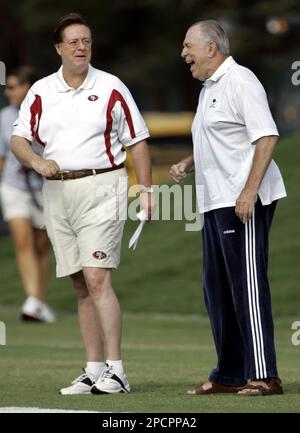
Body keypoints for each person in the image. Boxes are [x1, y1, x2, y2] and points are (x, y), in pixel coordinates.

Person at [11, 13, 154, 395]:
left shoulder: (111, 87)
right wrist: (38, 162)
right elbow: (18, 139)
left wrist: (147, 189)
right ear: (58, 48)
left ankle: (118, 370)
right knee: (79, 283)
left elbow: (137, 139)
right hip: (57, 192)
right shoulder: (41, 91)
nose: (81, 48)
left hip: (102, 186)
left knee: (96, 276)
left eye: (86, 41)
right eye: (73, 42)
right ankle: (93, 370)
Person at [170, 20, 287, 396]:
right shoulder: (209, 89)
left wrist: (249, 191)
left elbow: (266, 135)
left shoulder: (241, 81)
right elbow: (223, 137)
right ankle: (231, 373)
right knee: (217, 289)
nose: (184, 53)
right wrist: (190, 162)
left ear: (211, 48)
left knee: (247, 286)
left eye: (189, 46)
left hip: (242, 202)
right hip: (214, 200)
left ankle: (264, 375)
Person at [0, 66, 55, 323]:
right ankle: (32, 300)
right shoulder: (3, 117)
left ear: (28, 87)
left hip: (44, 188)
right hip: (13, 186)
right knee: (22, 241)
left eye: (13, 87)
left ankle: (38, 301)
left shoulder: (49, 114)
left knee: (42, 246)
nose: (9, 92)